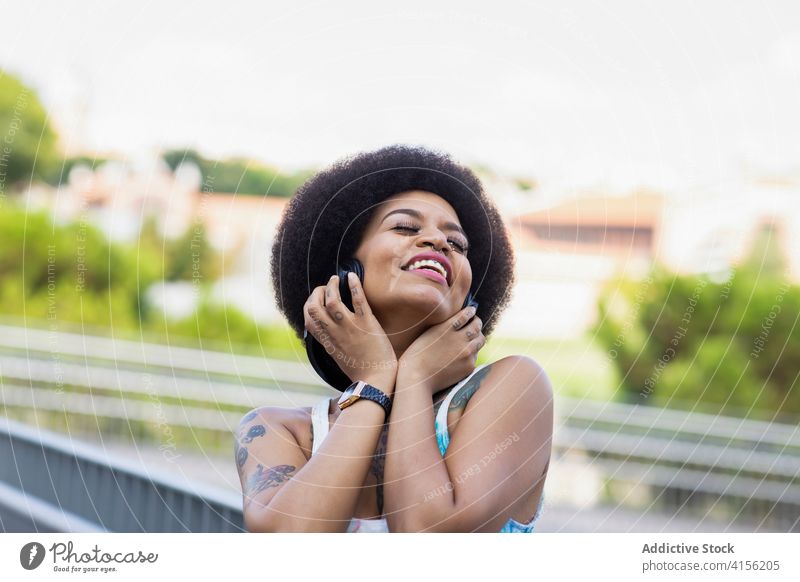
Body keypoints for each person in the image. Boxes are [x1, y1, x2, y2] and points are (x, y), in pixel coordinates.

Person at [235, 144, 553, 532]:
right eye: (405, 226)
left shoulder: (516, 388)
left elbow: (424, 534)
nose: (438, 241)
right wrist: (376, 379)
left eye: (457, 244)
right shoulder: (278, 431)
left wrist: (414, 376)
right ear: (344, 267)